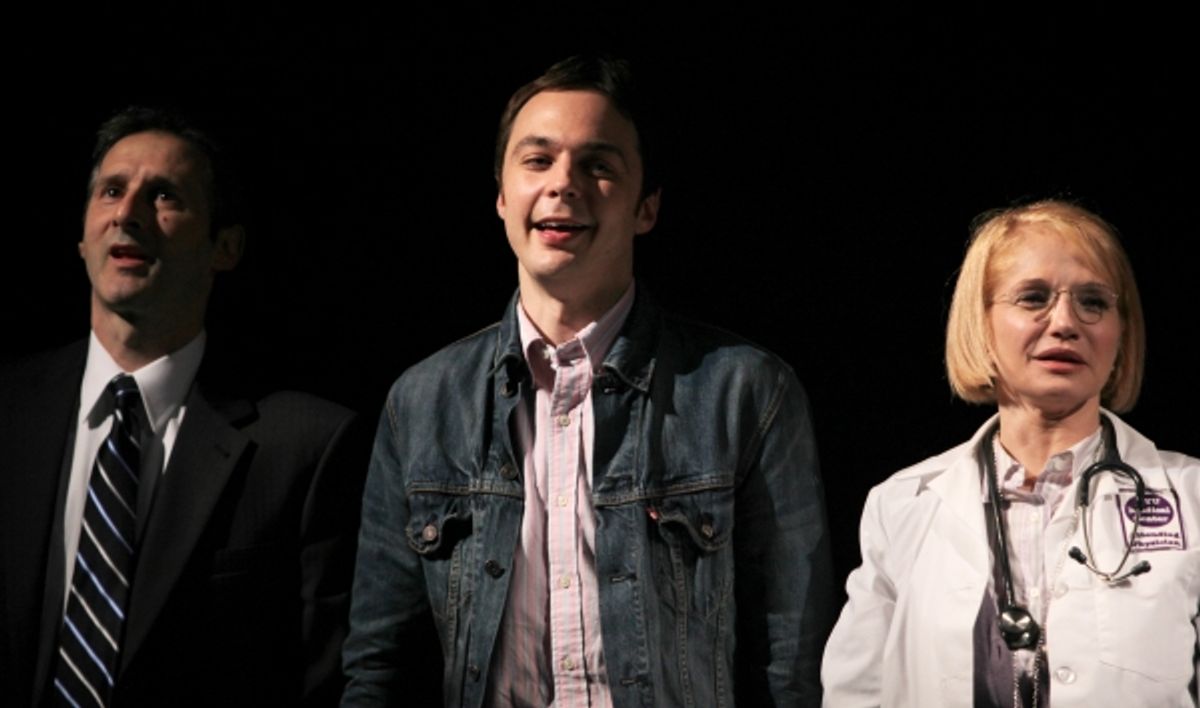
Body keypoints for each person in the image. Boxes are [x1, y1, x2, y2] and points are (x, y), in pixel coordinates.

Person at [342, 55, 834, 707]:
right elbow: (379, 666)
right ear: (501, 195)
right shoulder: (422, 402)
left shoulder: (746, 392)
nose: (563, 184)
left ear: (646, 206)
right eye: (537, 160)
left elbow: (793, 664)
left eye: (598, 165)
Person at [0, 107, 366, 707]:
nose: (127, 214)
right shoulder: (9, 412)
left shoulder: (307, 447)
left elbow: (332, 682)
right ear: (82, 235)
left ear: (226, 246)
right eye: (111, 191)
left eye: (164, 195)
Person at [821, 200, 1199, 707]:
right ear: (980, 325)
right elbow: (856, 694)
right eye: (1033, 298)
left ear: (1121, 332)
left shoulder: (1192, 497)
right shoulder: (902, 504)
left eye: (1093, 302)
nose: (1064, 323)